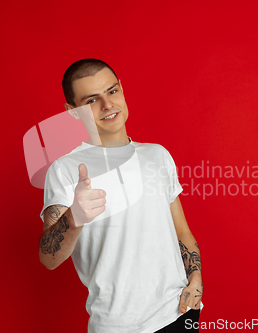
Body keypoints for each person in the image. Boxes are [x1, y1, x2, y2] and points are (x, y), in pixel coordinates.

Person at [38, 58, 204, 333]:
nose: (107, 105)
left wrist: (195, 279)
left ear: (122, 90)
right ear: (73, 112)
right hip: (117, 326)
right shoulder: (65, 170)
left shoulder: (157, 155)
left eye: (112, 91)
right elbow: (48, 258)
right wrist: (74, 217)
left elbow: (182, 232)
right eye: (92, 100)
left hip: (178, 314)